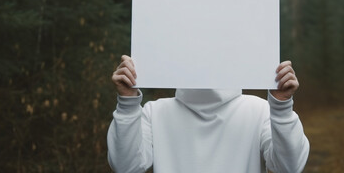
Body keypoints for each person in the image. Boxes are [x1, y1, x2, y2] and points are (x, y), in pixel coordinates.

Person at [107, 55, 309, 173]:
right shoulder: (154, 112)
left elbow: (289, 166)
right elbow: (126, 166)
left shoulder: (259, 110)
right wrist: (127, 102)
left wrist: (281, 107)